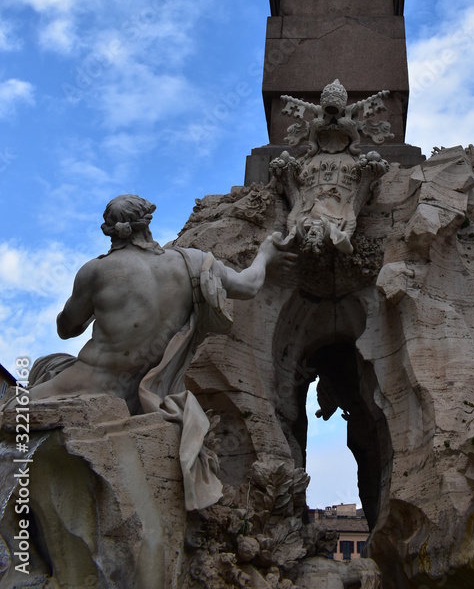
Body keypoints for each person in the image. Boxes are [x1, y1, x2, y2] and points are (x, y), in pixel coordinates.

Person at [21, 194, 292, 509]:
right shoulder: (193, 263)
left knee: (21, 400)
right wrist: (266, 252)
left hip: (90, 384)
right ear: (147, 221)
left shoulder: (95, 270)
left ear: (109, 229)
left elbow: (66, 329)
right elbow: (248, 285)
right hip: (146, 396)